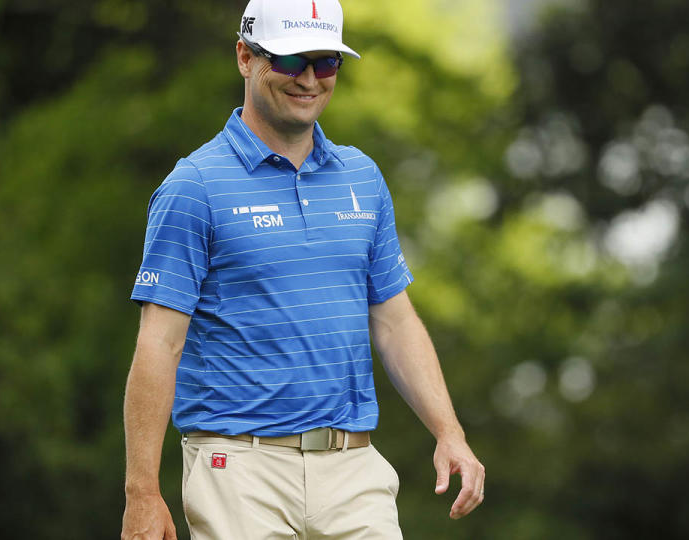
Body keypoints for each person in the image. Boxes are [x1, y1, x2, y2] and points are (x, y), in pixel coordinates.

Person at [121, 0, 484, 537]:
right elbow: (159, 344)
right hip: (239, 471)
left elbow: (394, 319)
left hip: (354, 468)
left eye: (327, 63)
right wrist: (142, 493)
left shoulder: (362, 177)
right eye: (291, 61)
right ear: (245, 58)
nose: (309, 79)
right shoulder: (194, 186)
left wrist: (449, 432)